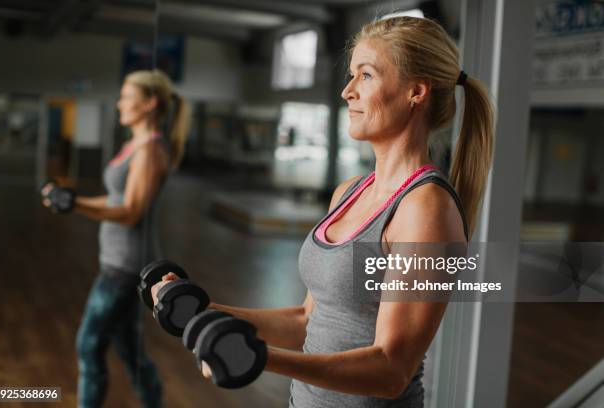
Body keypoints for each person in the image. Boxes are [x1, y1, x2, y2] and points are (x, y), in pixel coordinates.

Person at [154, 15, 493, 408]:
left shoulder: (425, 208)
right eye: (351, 76)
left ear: (415, 92)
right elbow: (304, 320)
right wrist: (208, 313)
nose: (348, 91)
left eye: (366, 76)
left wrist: (256, 357)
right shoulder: (349, 193)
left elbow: (390, 369)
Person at [43, 69, 191, 408]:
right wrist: (71, 199)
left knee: (89, 345)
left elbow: (130, 212)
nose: (119, 103)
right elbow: (114, 200)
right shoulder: (134, 145)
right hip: (119, 259)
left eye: (126, 96)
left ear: (150, 103)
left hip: (126, 265)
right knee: (129, 348)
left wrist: (74, 204)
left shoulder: (151, 150)